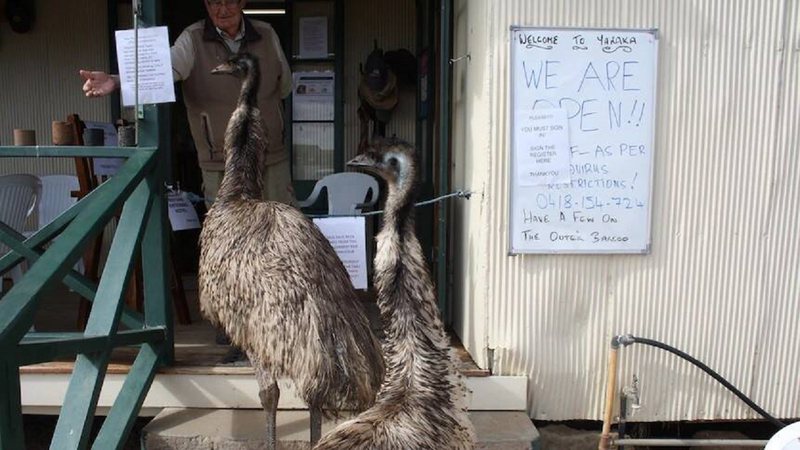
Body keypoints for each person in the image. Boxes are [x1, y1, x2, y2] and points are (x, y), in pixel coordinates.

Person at [80, 0, 294, 208]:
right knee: (227, 236)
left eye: (229, 2)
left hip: (271, 157)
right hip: (220, 160)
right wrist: (116, 80)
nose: (222, 10)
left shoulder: (267, 34)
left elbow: (285, 86)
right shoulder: (193, 38)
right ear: (206, 5)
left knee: (280, 230)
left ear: (242, 3)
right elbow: (161, 69)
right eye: (214, 3)